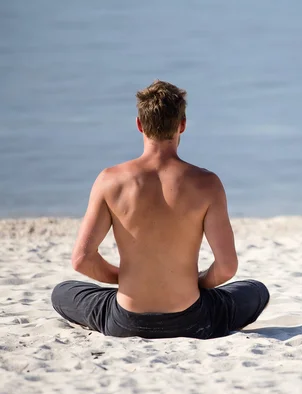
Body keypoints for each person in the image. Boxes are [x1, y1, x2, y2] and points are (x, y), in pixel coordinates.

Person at [51, 80, 269, 339]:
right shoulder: (207, 184)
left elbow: (82, 259)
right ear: (183, 125)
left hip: (126, 320)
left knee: (63, 292)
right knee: (256, 290)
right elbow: (226, 268)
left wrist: (126, 278)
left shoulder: (110, 180)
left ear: (139, 124)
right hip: (191, 320)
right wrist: (195, 282)